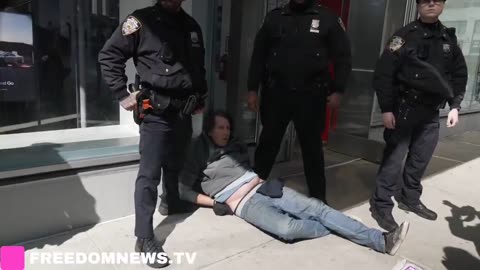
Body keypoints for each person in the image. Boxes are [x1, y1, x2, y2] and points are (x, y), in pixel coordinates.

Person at [179, 111, 410, 257]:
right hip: (243, 203)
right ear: (209, 129)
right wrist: (213, 203)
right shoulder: (198, 150)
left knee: (317, 208)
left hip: (263, 186)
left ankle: (382, 240)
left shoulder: (236, 145)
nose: (226, 132)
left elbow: (248, 169)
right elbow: (184, 190)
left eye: (228, 128)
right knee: (287, 229)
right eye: (220, 127)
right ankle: (341, 224)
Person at [98, 0, 207, 267]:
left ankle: (171, 203)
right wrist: (122, 94)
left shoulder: (191, 26)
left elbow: (197, 67)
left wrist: (200, 96)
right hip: (155, 113)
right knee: (149, 174)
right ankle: (144, 236)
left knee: (175, 163)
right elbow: (109, 55)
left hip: (183, 111)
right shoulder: (140, 21)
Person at [369, 0, 467, 231]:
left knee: (419, 160)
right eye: (425, 0)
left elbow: (459, 74)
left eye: (436, 0)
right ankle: (381, 204)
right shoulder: (404, 36)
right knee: (393, 162)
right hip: (404, 109)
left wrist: (455, 105)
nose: (431, 4)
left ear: (443, 4)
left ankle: (409, 198)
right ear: (418, 5)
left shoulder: (448, 39)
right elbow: (384, 74)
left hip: (431, 113)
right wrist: (386, 109)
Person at [247, 0, 352, 203]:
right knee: (267, 144)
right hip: (276, 94)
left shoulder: (328, 18)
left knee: (312, 149)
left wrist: (338, 89)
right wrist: (252, 88)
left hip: (311, 97)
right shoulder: (274, 17)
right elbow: (258, 56)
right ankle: (250, 192)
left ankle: (319, 199)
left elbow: (343, 57)